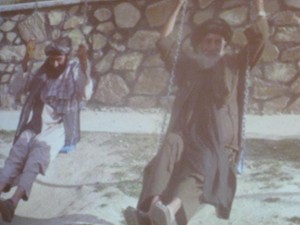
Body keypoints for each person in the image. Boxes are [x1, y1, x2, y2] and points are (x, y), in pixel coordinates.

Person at [124, 0, 269, 225]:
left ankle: (170, 213)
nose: (212, 46)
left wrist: (258, 4)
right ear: (200, 45)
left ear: (225, 45)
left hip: (219, 143)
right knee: (170, 142)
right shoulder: (188, 66)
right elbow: (164, 42)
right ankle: (151, 209)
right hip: (186, 135)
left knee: (203, 163)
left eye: (217, 41)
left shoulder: (235, 65)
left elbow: (259, 38)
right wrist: (176, 7)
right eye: (207, 41)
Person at [0, 37, 89, 223]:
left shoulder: (73, 71)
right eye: (52, 59)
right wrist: (26, 58)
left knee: (36, 160)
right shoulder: (42, 72)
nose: (55, 63)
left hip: (57, 127)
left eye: (59, 59)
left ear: (67, 56)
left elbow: (85, 92)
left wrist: (83, 62)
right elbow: (17, 88)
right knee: (15, 157)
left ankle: (12, 203)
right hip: (34, 125)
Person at [59, 44, 93, 154]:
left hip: (73, 94)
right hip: (73, 94)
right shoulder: (81, 62)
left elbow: (80, 79)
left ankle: (71, 142)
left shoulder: (77, 64)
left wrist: (79, 92)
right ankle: (73, 139)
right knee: (72, 119)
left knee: (71, 120)